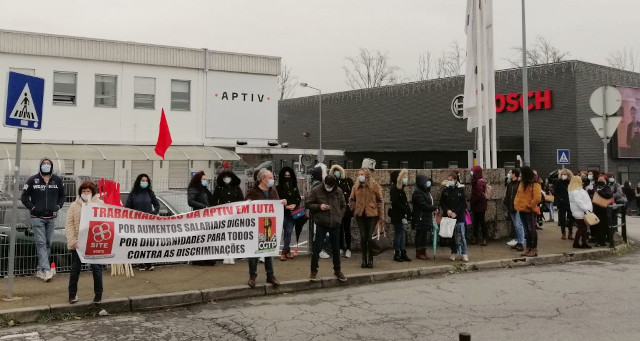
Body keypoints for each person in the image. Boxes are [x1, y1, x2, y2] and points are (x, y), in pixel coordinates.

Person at [21, 157, 66, 282]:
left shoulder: (57, 180)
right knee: (40, 242)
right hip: (37, 218)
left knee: (47, 243)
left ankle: (40, 269)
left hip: (51, 217)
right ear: (40, 165)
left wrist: (58, 206)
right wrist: (33, 207)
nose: (46, 165)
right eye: (44, 163)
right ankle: (46, 270)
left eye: (48, 163)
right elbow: (24, 198)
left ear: (51, 166)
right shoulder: (32, 180)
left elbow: (63, 195)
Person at [245, 168, 284, 288]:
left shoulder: (273, 191)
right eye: (270, 177)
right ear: (263, 179)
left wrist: (282, 203)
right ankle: (252, 276)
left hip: (269, 224)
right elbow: (246, 206)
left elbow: (276, 204)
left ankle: (270, 275)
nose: (272, 180)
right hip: (256, 226)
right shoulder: (252, 191)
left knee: (269, 250)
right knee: (253, 252)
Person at [65, 181, 104, 304]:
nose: (86, 193)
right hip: (78, 243)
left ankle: (98, 295)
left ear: (92, 192)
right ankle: (72, 295)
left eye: (88, 191)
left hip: (93, 243)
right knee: (75, 269)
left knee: (96, 268)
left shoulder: (100, 204)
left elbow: (104, 222)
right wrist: (73, 241)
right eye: (83, 191)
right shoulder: (74, 206)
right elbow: (69, 224)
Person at [306, 175, 347, 282]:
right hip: (321, 223)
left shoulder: (338, 191)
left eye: (331, 186)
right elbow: (308, 204)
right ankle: (313, 271)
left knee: (336, 249)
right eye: (328, 186)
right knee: (317, 248)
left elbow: (343, 205)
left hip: (335, 223)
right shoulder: (316, 190)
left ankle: (337, 270)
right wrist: (319, 206)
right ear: (324, 182)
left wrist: (339, 216)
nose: (329, 188)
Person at [349, 168, 384, 268]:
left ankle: (370, 259)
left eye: (362, 174)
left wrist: (381, 216)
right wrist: (354, 208)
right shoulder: (355, 187)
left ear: (367, 175)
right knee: (363, 237)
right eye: (359, 174)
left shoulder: (374, 186)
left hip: (372, 214)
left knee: (369, 237)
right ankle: (364, 259)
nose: (360, 176)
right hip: (360, 215)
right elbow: (352, 199)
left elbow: (380, 201)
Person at [213, 168, 244, 265]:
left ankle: (232, 255)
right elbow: (214, 200)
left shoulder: (237, 188)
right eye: (225, 177)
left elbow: (241, 201)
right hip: (223, 216)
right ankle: (225, 255)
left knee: (233, 236)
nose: (227, 179)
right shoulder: (219, 188)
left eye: (228, 177)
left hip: (234, 216)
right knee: (224, 236)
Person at [187, 171, 216, 266]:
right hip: (198, 217)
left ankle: (207, 258)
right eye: (203, 179)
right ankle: (198, 259)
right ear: (198, 180)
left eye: (205, 179)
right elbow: (190, 201)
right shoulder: (194, 189)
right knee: (199, 239)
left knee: (207, 239)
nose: (205, 181)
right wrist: (203, 207)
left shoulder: (204, 190)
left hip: (206, 217)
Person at [440, 172, 469, 262]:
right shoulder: (446, 190)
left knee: (461, 236)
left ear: (455, 180)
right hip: (449, 216)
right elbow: (442, 202)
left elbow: (463, 204)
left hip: (459, 216)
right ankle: (453, 252)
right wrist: (447, 210)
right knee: (451, 236)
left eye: (451, 180)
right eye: (448, 180)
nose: (449, 182)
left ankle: (464, 253)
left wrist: (456, 212)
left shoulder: (460, 190)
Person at [514, 166, 542, 257]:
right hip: (521, 209)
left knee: (531, 230)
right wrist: (516, 204)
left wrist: (530, 206)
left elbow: (537, 197)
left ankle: (533, 249)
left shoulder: (535, 183)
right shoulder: (522, 183)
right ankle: (528, 248)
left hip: (529, 210)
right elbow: (518, 194)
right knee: (526, 230)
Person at [276, 166, 302, 261]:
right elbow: (276, 200)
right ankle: (287, 251)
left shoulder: (294, 187)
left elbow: (298, 199)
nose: (287, 176)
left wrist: (294, 204)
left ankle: (284, 251)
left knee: (289, 232)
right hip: (282, 213)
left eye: (289, 175)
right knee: (285, 233)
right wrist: (284, 205)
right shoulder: (278, 188)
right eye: (285, 175)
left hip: (292, 213)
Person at [330, 164, 354, 258]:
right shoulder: (332, 182)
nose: (337, 172)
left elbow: (351, 194)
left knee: (347, 229)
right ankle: (340, 247)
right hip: (336, 210)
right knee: (338, 230)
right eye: (335, 171)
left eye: (338, 170)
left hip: (346, 210)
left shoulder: (347, 181)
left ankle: (348, 248)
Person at [412, 174, 436, 260]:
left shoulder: (426, 191)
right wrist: (433, 208)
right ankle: (419, 252)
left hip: (426, 217)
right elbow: (423, 205)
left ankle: (423, 251)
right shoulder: (418, 192)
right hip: (421, 217)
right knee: (420, 234)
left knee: (424, 234)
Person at [389, 169, 412, 262]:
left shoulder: (401, 189)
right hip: (397, 215)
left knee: (402, 234)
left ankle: (403, 251)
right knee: (398, 234)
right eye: (404, 177)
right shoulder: (395, 189)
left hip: (402, 215)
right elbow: (396, 202)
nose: (406, 179)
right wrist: (405, 209)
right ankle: (397, 252)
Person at [568, 175, 593, 249]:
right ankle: (576, 243)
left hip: (580, 212)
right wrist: (586, 209)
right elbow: (579, 202)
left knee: (583, 228)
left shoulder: (574, 190)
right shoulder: (576, 191)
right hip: (581, 212)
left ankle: (583, 242)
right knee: (582, 228)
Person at [504, 169, 525, 252]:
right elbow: (508, 194)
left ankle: (521, 242)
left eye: (510, 173)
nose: (509, 174)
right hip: (511, 207)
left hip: (518, 207)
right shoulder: (510, 184)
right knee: (516, 225)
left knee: (518, 225)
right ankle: (518, 241)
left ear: (514, 174)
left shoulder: (519, 184)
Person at [592, 175, 614, 247]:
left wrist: (599, 192)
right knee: (597, 226)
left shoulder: (607, 188)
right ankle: (599, 240)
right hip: (596, 209)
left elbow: (609, 195)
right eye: (599, 179)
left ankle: (601, 241)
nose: (600, 181)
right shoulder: (596, 186)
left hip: (603, 210)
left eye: (602, 180)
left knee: (602, 226)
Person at [470, 166, 489, 246]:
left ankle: (483, 238)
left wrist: (473, 200)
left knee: (481, 222)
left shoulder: (479, 182)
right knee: (477, 222)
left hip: (479, 205)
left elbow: (479, 195)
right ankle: (476, 237)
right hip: (477, 205)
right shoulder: (477, 180)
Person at [554, 168, 574, 240]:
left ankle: (570, 233)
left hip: (570, 202)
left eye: (565, 174)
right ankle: (563, 233)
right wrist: (559, 199)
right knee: (562, 219)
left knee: (570, 219)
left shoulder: (571, 182)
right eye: (562, 174)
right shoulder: (558, 182)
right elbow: (556, 192)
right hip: (561, 203)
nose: (564, 176)